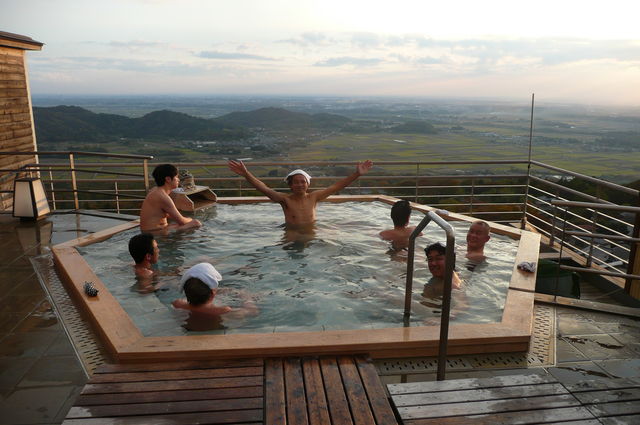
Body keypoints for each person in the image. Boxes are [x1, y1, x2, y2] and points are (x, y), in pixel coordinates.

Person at [227, 159, 373, 226]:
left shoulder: (314, 197)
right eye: (296, 182)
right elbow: (263, 188)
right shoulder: (285, 199)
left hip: (311, 233)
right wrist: (246, 174)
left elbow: (337, 186)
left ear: (308, 184)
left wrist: (357, 174)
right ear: (290, 185)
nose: (299, 185)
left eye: (303, 181)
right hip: (292, 234)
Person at [172, 263, 257, 318]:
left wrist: (215, 291)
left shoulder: (178, 304)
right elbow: (253, 311)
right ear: (213, 293)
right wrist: (246, 297)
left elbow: (195, 293)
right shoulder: (224, 311)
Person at [139, 164, 202, 232]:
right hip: (155, 233)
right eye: (176, 177)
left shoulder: (155, 190)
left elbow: (167, 215)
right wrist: (190, 219)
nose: (178, 180)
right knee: (196, 223)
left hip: (150, 230)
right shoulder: (162, 197)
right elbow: (182, 221)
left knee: (176, 222)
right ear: (168, 179)